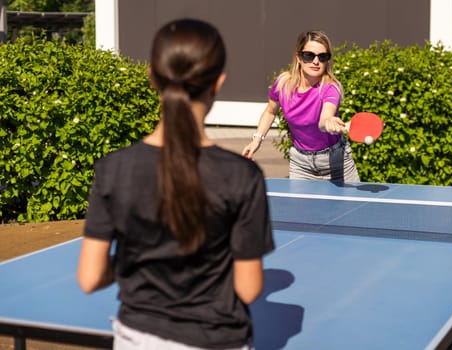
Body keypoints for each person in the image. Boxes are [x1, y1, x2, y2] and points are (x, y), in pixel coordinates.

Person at [77, 18, 274, 350]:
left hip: (135, 339)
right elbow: (249, 289)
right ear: (219, 82)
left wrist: (135, 264)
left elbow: (90, 277)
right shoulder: (243, 176)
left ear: (152, 77)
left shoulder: (113, 169)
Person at [242, 30, 360, 183]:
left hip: (337, 163)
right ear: (298, 57)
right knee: (301, 207)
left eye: (322, 57)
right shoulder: (283, 84)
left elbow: (324, 119)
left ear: (328, 61)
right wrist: (257, 140)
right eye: (309, 55)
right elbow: (271, 111)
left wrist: (329, 122)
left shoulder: (331, 88)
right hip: (301, 164)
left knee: (349, 207)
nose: (316, 62)